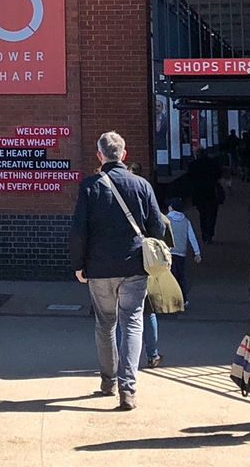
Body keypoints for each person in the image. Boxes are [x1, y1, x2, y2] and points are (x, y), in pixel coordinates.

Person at [69, 131, 166, 411]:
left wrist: (78, 265)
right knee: (133, 323)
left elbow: (79, 230)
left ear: (100, 156)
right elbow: (157, 228)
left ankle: (108, 381)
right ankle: (128, 388)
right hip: (135, 265)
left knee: (105, 324)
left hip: (98, 268)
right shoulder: (142, 185)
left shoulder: (89, 186)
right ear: (124, 154)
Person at [165, 198, 201, 306]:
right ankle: (183, 298)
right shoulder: (186, 221)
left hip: (168, 252)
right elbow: (192, 237)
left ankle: (170, 299)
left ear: (171, 208)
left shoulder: (166, 219)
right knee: (181, 276)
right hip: (181, 253)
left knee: (170, 276)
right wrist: (197, 253)